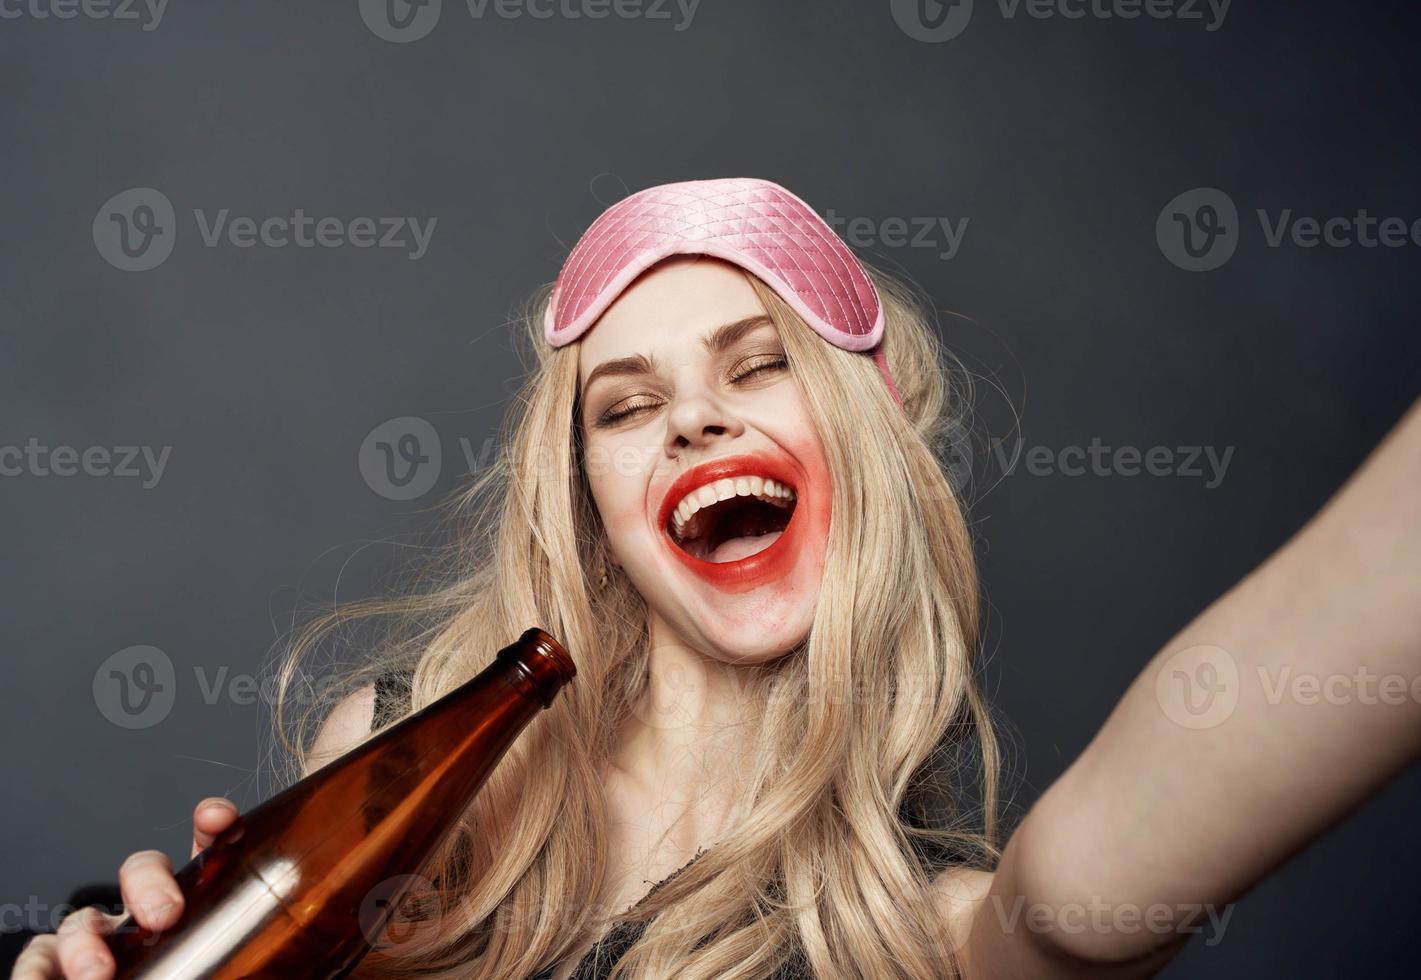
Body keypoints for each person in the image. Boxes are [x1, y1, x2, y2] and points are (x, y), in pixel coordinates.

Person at [14, 178, 1421, 980]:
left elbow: (1110, 850)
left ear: (865, 447)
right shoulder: (402, 772)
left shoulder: (936, 943)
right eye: (626, 406)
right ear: (600, 510)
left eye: (759, 368)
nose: (693, 418)